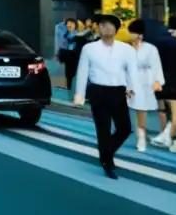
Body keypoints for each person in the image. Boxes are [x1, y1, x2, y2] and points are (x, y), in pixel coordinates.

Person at [73, 14, 136, 179]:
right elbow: (82, 72)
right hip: (98, 92)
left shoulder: (126, 49)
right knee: (103, 128)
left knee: (125, 128)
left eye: (110, 25)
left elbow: (131, 71)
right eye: (102, 25)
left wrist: (131, 87)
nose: (106, 28)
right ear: (98, 28)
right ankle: (107, 162)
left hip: (118, 92)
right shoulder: (89, 48)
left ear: (116, 29)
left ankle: (106, 152)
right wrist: (79, 94)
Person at [151, 15, 176, 153]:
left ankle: (163, 132)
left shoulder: (157, 42)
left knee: (162, 108)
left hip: (159, 81)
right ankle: (171, 136)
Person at [126, 19, 165, 152]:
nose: (130, 35)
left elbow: (156, 66)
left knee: (141, 109)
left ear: (140, 35)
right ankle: (139, 134)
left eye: (132, 32)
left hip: (145, 81)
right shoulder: (126, 48)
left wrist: (157, 81)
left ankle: (141, 137)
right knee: (134, 110)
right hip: (129, 81)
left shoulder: (150, 49)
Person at [56, 18, 78, 89]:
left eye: (72, 23)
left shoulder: (77, 35)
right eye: (68, 23)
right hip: (67, 57)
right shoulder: (64, 35)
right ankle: (68, 85)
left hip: (74, 57)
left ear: (75, 25)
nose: (70, 25)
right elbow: (59, 27)